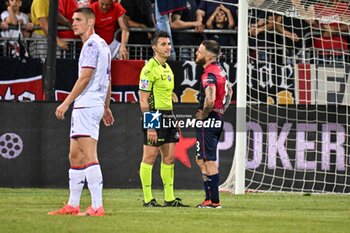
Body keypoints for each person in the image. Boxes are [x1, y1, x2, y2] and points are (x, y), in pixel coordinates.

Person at [48, 7, 114, 217]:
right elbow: (109, 78)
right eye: (73, 20)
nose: (73, 23)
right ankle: (72, 204)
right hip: (93, 104)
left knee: (88, 155)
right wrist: (105, 107)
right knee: (75, 155)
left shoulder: (91, 46)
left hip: (86, 104)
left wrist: (66, 102)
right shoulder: (103, 45)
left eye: (77, 20)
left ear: (90, 23)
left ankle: (97, 206)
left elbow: (85, 77)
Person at [139, 31, 189, 207]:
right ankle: (148, 199)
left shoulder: (167, 68)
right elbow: (144, 100)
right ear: (154, 47)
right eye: (163, 44)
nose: (168, 47)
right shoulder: (148, 69)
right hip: (154, 114)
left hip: (167, 115)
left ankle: (169, 198)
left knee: (169, 158)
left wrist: (174, 120)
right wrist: (151, 126)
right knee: (150, 157)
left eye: (169, 43)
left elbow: (167, 99)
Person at [194, 40, 232, 208]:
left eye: (200, 52)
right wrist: (221, 110)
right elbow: (229, 91)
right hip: (217, 117)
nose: (196, 53)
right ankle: (209, 197)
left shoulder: (208, 74)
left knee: (208, 160)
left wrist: (204, 113)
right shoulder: (220, 70)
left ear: (208, 56)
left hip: (208, 120)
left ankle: (214, 201)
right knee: (201, 158)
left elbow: (209, 100)